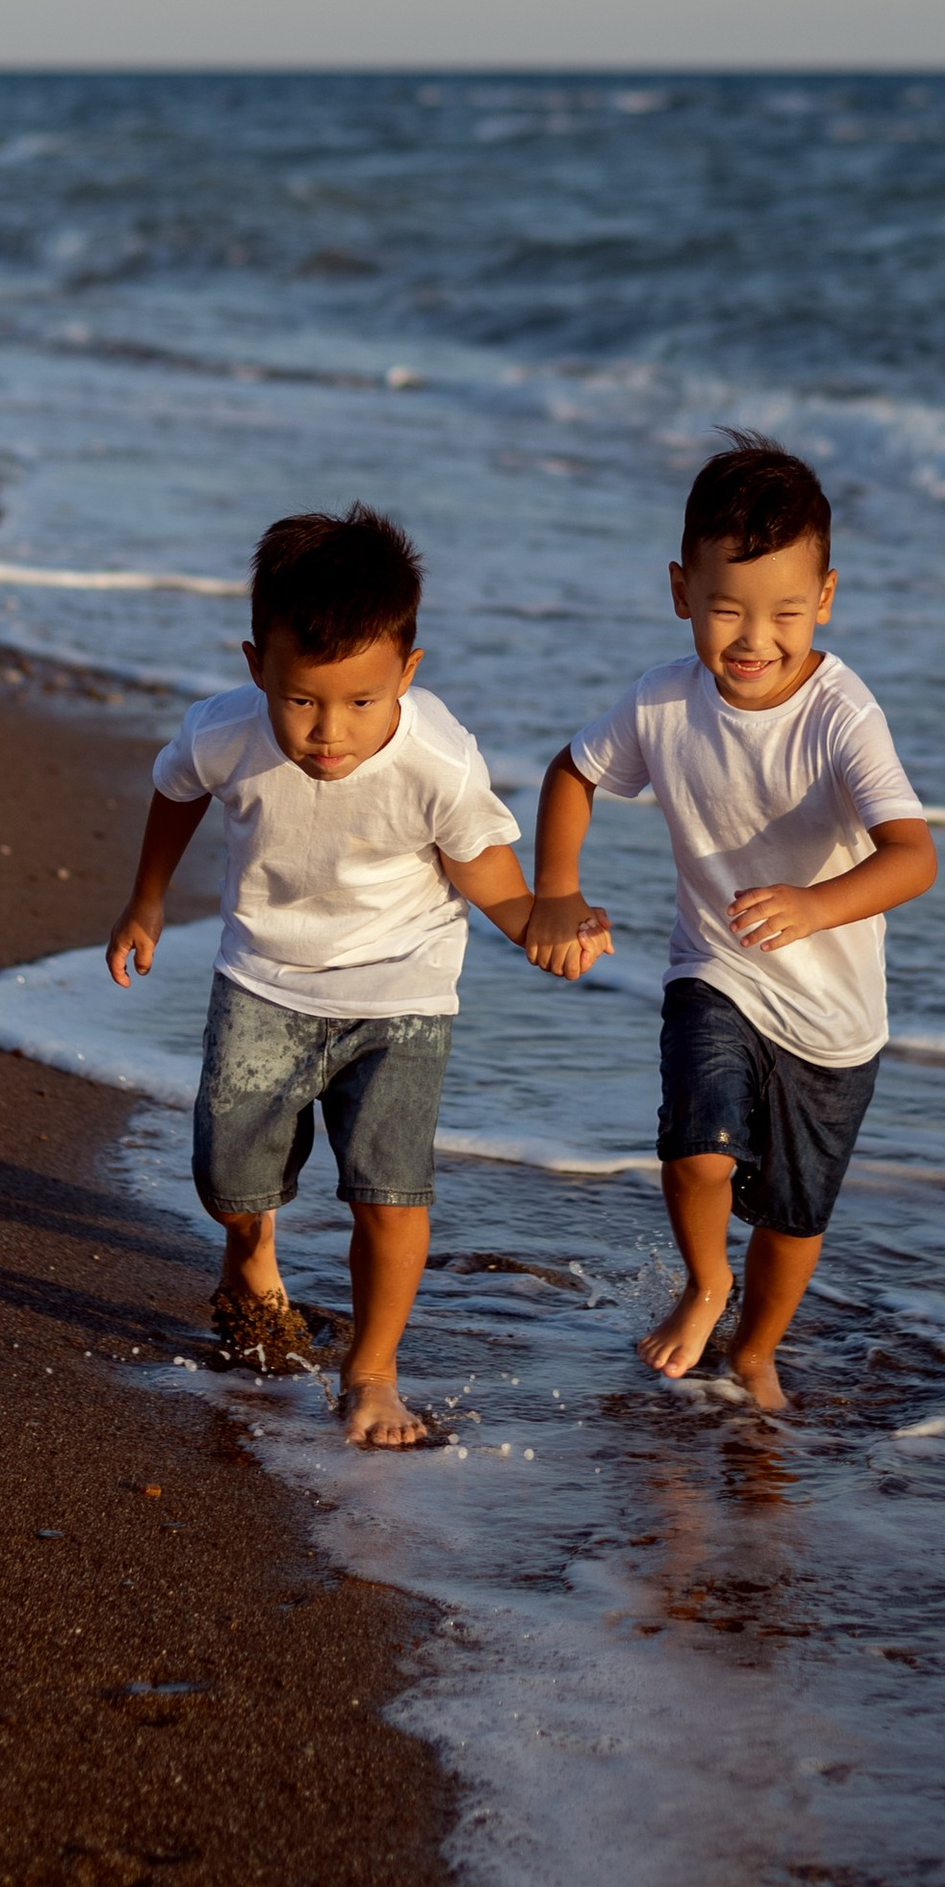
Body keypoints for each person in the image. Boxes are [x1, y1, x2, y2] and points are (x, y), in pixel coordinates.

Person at [107, 503, 596, 1447]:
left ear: (407, 675)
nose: (329, 733)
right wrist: (147, 900)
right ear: (257, 668)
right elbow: (176, 792)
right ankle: (251, 1259)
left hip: (402, 994)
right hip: (264, 980)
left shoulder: (439, 763)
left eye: (362, 702)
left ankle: (372, 1374)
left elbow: (486, 871)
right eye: (302, 700)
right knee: (227, 1179)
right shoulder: (225, 734)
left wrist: (541, 925)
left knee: (390, 1191)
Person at [525, 435, 936, 1411]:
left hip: (834, 1018)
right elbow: (572, 773)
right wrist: (556, 890)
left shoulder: (842, 715)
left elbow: (914, 857)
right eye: (726, 609)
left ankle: (757, 1349)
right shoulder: (662, 700)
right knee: (695, 1144)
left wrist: (812, 905)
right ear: (680, 590)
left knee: (795, 1215)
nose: (754, 638)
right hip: (715, 969)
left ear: (825, 599)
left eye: (786, 613)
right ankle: (706, 1282)